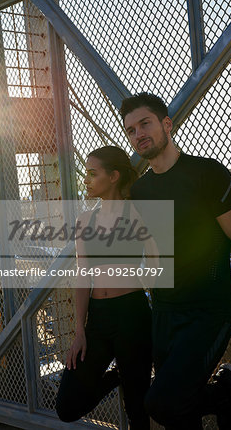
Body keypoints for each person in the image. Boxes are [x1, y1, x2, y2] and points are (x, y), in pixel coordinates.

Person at [119, 93, 231, 430]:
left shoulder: (208, 173)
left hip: (208, 311)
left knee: (162, 402)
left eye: (145, 123)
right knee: (179, 414)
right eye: (131, 130)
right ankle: (219, 398)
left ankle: (223, 392)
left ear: (166, 124)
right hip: (164, 310)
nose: (138, 134)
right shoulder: (141, 190)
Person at [55, 146, 153, 430]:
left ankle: (128, 377)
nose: (86, 179)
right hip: (98, 318)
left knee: (137, 409)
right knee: (67, 405)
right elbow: (83, 276)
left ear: (113, 176)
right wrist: (79, 330)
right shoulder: (85, 220)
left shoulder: (137, 213)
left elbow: (160, 260)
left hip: (132, 315)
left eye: (91, 173)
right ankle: (116, 377)